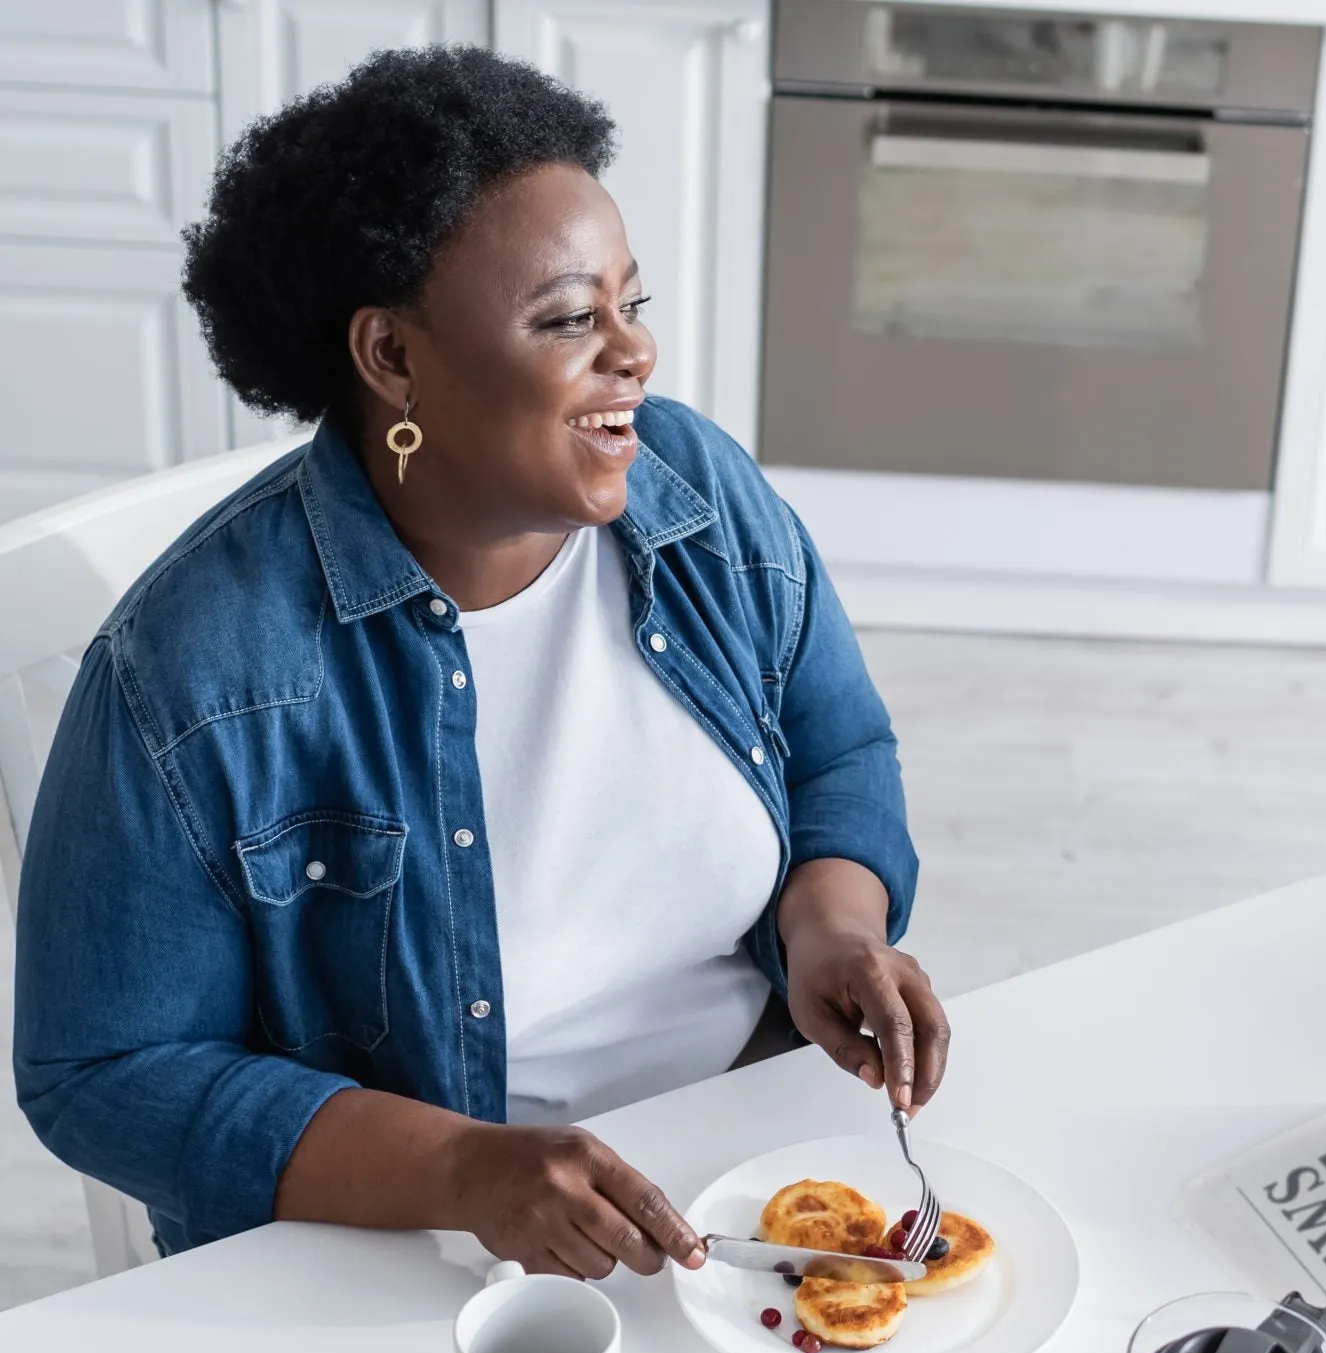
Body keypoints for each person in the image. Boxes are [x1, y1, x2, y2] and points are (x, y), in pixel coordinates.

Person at [13, 47, 948, 1277]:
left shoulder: (696, 490)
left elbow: (836, 744)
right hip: (427, 1247)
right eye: (570, 318)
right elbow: (104, 1071)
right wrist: (463, 1169)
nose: (635, 357)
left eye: (633, 305)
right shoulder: (193, 672)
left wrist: (832, 926)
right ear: (391, 357)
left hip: (749, 1168)